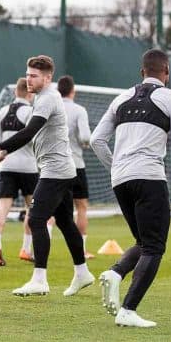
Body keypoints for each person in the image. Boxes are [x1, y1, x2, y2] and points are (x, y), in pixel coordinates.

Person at [90, 49, 171, 328]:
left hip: (120, 179)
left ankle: (116, 272)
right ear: (166, 73)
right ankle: (128, 310)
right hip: (148, 177)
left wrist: (116, 166)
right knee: (155, 246)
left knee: (143, 242)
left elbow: (97, 140)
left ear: (141, 72)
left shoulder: (120, 99)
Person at [0, 55, 93, 298]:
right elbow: (29, 134)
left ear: (48, 78)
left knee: (36, 219)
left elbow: (28, 132)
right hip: (61, 170)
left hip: (56, 171)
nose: (29, 79)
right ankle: (82, 273)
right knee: (64, 221)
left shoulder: (48, 99)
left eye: (34, 76)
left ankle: (40, 279)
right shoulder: (42, 98)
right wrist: (3, 151)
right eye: (27, 75)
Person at [0, 77, 39, 266]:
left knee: (2, 207)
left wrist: (1, 155)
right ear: (29, 93)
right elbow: (32, 139)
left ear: (14, 92)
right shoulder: (31, 111)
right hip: (28, 167)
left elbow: (0, 141)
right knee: (32, 209)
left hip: (6, 165)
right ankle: (26, 249)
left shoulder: (2, 111)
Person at [57, 75, 94, 259]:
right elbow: (86, 138)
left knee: (49, 209)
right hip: (76, 164)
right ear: (73, 91)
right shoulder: (79, 110)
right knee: (81, 207)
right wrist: (83, 143)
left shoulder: (52, 108)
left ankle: (35, 249)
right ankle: (82, 250)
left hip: (54, 165)